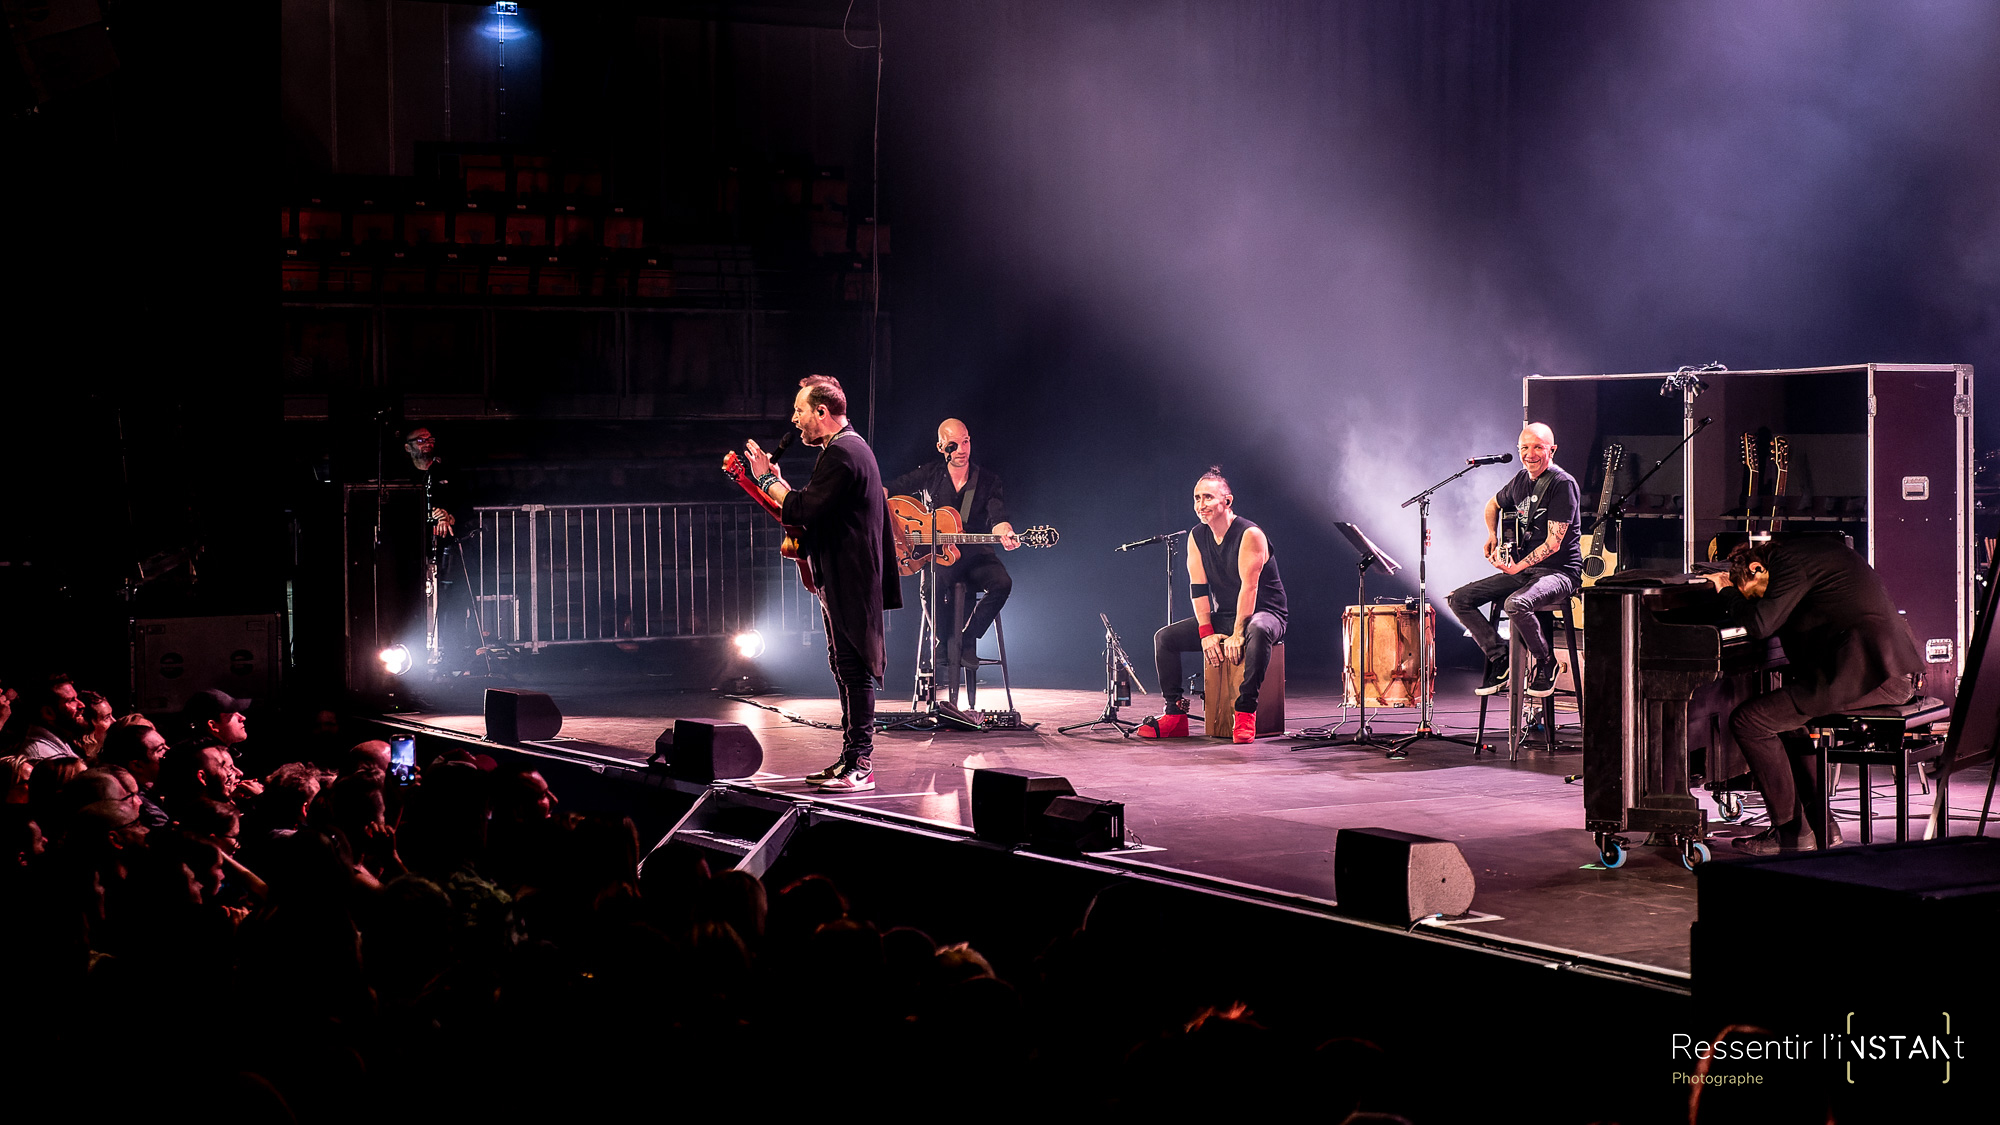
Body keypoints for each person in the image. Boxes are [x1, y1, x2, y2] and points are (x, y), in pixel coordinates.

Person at [1702, 537, 1925, 854]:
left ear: (1756, 567)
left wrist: (1726, 591)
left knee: (1749, 721)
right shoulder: (1813, 552)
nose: (1762, 598)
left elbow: (1761, 623)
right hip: (1884, 670)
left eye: (1755, 591)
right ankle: (1822, 827)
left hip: (1874, 676)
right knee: (1788, 723)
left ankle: (1791, 833)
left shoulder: (1788, 564)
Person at [743, 375, 901, 792]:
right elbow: (815, 505)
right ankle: (850, 758)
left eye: (800, 411)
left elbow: (803, 506)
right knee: (844, 666)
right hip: (843, 575)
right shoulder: (843, 449)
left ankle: (860, 763)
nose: (794, 420)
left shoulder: (844, 453)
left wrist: (765, 480)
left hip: (851, 577)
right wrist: (777, 486)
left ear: (822, 412)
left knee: (855, 668)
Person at [1136, 467, 1288, 744]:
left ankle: (1245, 712)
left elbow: (1249, 588)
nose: (1200, 505)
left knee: (1257, 629)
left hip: (1265, 613)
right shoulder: (1197, 536)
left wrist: (1238, 633)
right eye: (1196, 498)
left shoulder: (1250, 534)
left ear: (1227, 501)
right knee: (1165, 638)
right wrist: (1207, 633)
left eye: (1207, 497)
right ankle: (1174, 715)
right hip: (1225, 615)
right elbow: (1199, 589)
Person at [887, 418, 1022, 711]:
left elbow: (999, 517)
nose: (961, 449)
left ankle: (966, 640)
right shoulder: (931, 475)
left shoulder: (986, 480)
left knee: (1003, 583)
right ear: (941, 447)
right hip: (939, 556)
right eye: (953, 444)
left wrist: (1006, 532)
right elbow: (893, 490)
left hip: (975, 555)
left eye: (966, 441)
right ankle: (947, 642)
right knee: (931, 585)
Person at [1445, 424, 1583, 699]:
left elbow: (1554, 543)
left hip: (1560, 572)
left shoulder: (1562, 484)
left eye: (1537, 447)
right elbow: (1492, 505)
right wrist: (1491, 535)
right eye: (1524, 448)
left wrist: (1517, 567)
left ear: (1551, 450)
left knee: (1516, 603)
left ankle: (1547, 664)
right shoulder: (1521, 480)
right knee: (1458, 598)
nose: (1529, 454)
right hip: (1525, 571)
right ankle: (1501, 658)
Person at [403, 426, 478, 669]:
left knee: (453, 602)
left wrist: (448, 516)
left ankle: (453, 657)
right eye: (421, 440)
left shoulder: (446, 471)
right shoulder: (402, 476)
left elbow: (468, 504)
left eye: (431, 439)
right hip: (413, 550)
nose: (428, 443)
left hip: (448, 549)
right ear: (408, 447)